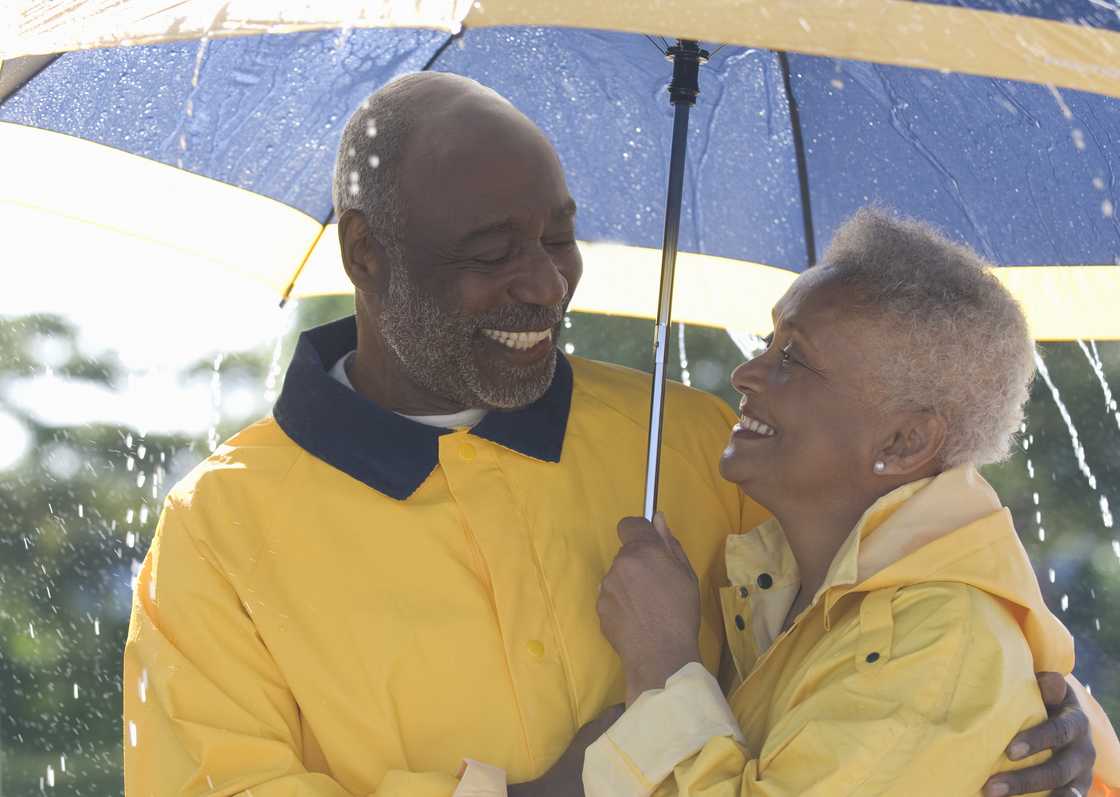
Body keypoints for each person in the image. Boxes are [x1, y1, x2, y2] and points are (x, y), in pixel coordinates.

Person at [122, 74, 1103, 796]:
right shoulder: (218, 533)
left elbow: (909, 621)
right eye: (492, 251)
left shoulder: (703, 444)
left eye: (557, 236)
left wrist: (1072, 732)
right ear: (366, 252)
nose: (546, 283)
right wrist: (550, 790)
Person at [586, 209, 1120, 797]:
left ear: (904, 441)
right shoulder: (776, 584)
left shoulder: (939, 645)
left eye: (793, 358)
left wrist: (662, 663)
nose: (745, 373)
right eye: (770, 342)